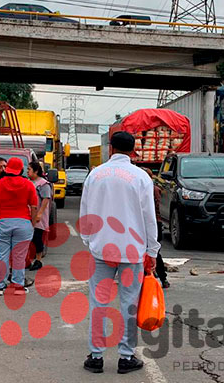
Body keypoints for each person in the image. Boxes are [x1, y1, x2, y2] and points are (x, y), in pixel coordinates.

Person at [80, 131, 160, 375]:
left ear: (111, 149)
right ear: (133, 151)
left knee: (98, 302)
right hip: (132, 250)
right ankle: (126, 357)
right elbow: (149, 215)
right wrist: (152, 249)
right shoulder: (140, 177)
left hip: (102, 248)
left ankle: (96, 356)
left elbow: (85, 211)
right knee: (129, 303)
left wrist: (88, 240)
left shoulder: (95, 175)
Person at [0, 157, 38, 296]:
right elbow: (34, 206)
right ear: (20, 170)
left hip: (1, 222)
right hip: (23, 223)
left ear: (7, 169)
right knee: (19, 256)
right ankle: (18, 286)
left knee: (2, 255)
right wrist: (31, 224)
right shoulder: (28, 184)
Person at [142, 167, 169, 289]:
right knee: (156, 252)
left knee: (149, 252)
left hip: (148, 223)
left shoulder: (146, 190)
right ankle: (163, 279)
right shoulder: (156, 189)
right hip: (157, 223)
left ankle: (150, 277)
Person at [28, 161, 52, 271]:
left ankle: (38, 260)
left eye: (29, 169)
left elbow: (46, 199)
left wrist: (40, 214)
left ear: (36, 171)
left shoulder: (43, 184)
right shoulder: (29, 182)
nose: (27, 171)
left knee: (37, 237)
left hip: (38, 216)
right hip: (29, 214)